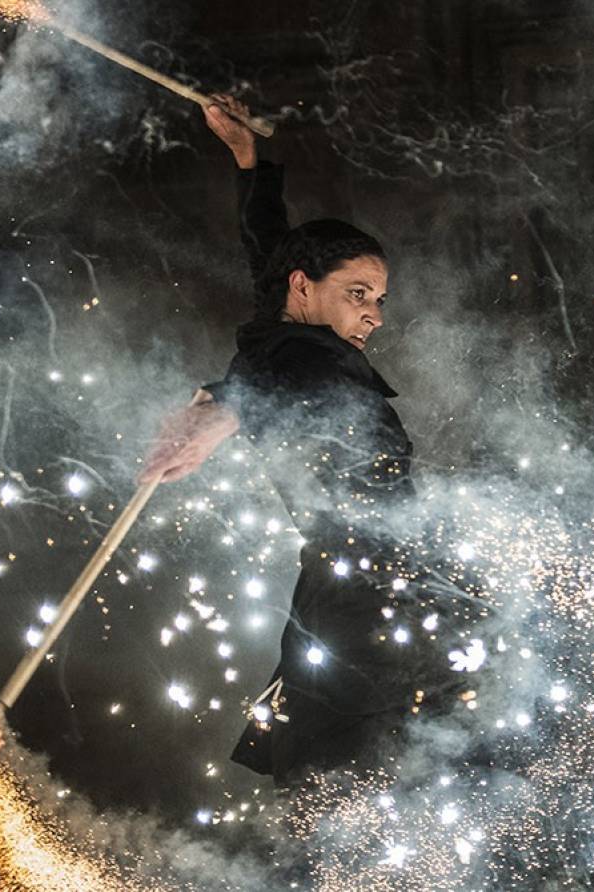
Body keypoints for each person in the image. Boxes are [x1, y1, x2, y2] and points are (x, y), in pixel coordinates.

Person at [140, 95, 456, 785]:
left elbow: (269, 251)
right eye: (358, 293)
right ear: (305, 288)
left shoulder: (286, 320)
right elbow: (283, 385)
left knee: (363, 758)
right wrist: (223, 415)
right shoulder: (308, 357)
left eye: (378, 300)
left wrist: (247, 158)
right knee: (344, 767)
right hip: (366, 595)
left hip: (381, 582)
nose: (372, 315)